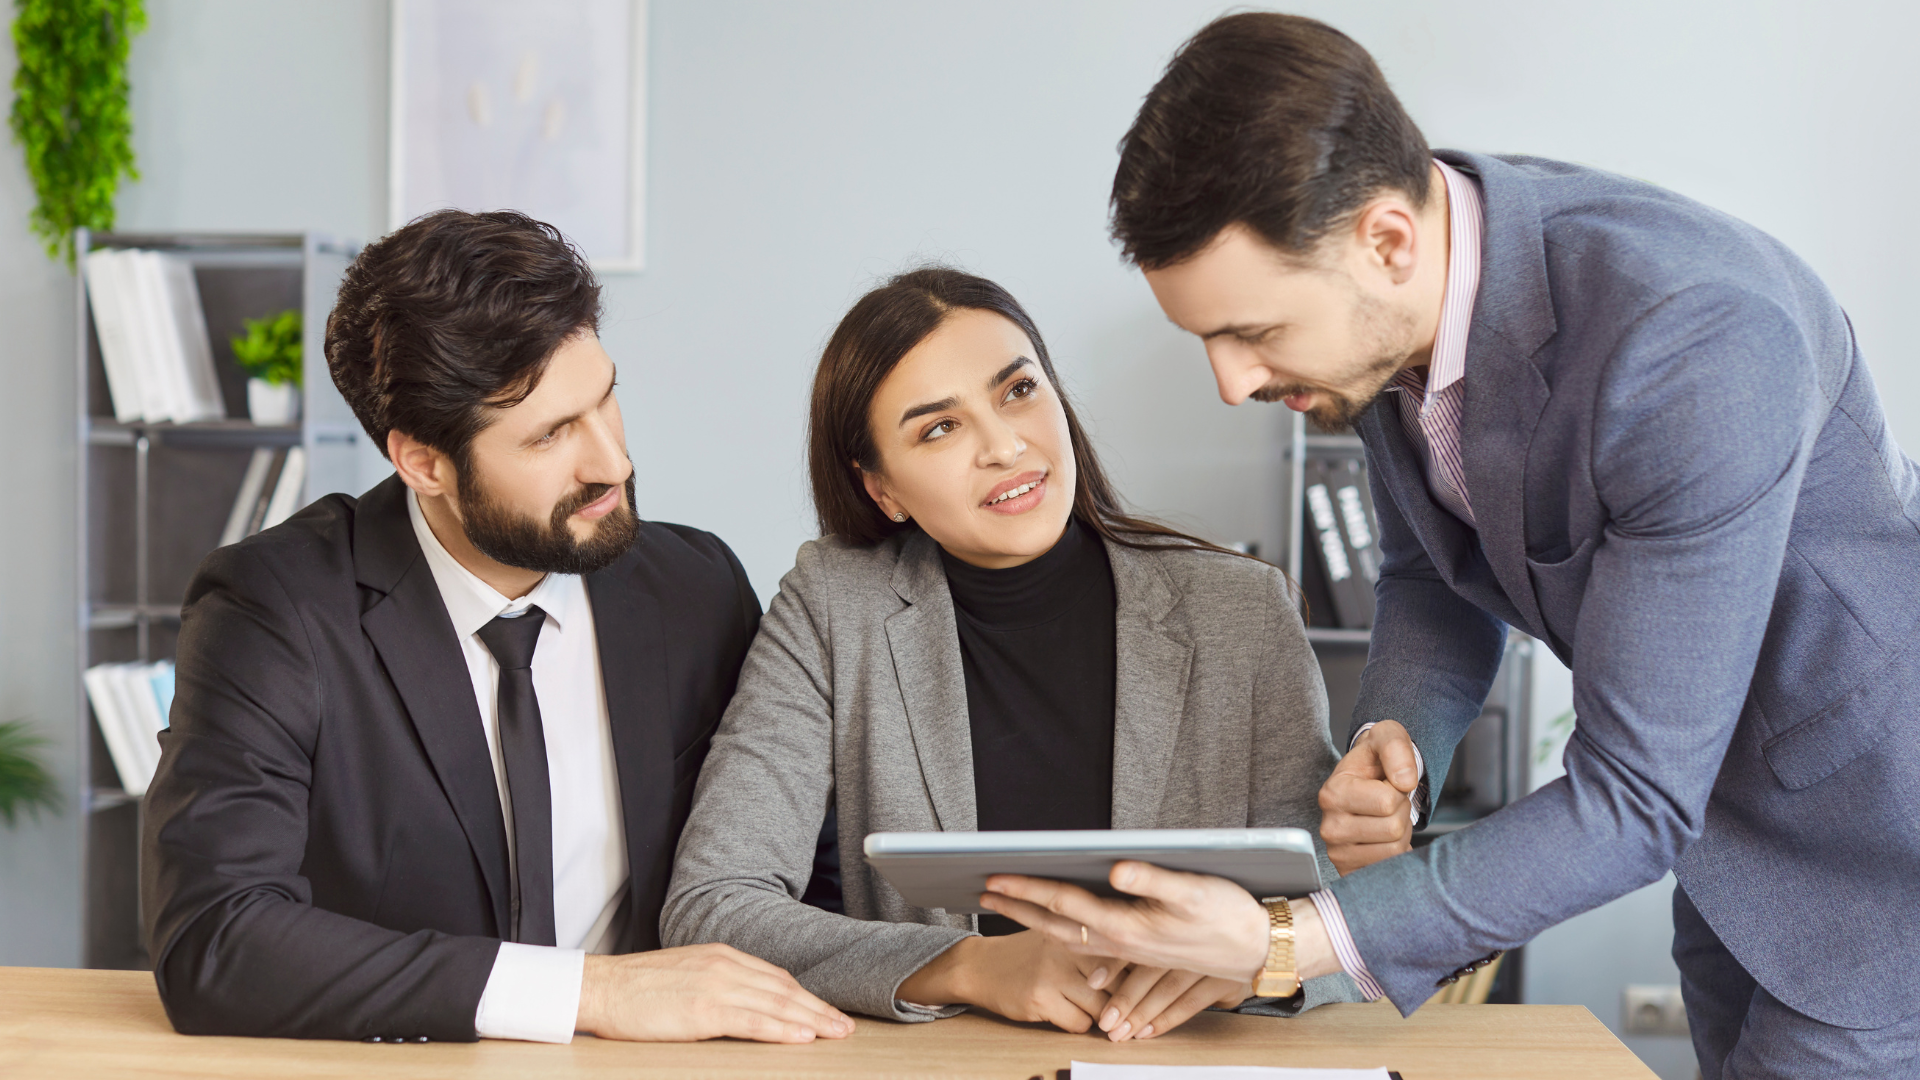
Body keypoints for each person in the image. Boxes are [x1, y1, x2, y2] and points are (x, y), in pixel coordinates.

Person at [978, 13, 1920, 1079]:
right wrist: (1402, 735)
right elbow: (1434, 570)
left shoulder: (1694, 339)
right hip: (1733, 865)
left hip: (1876, 861)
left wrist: (1285, 945)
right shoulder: (1409, 304)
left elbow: (1635, 798)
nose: (1232, 383)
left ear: (1386, 240)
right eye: (1206, 339)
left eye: (1254, 332)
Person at [140, 210, 852, 1046]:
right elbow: (214, 940)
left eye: (605, 399)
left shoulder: (696, 587)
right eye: (551, 434)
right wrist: (592, 994)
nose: (612, 463)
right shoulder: (275, 610)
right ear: (423, 463)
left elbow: (810, 876)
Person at [661, 267, 1359, 1041]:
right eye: (939, 428)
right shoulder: (833, 607)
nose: (1004, 445)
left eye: (1018, 391)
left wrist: (1242, 966)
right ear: (882, 490)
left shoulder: (1243, 610)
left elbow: (1344, 926)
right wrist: (967, 965)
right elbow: (712, 908)